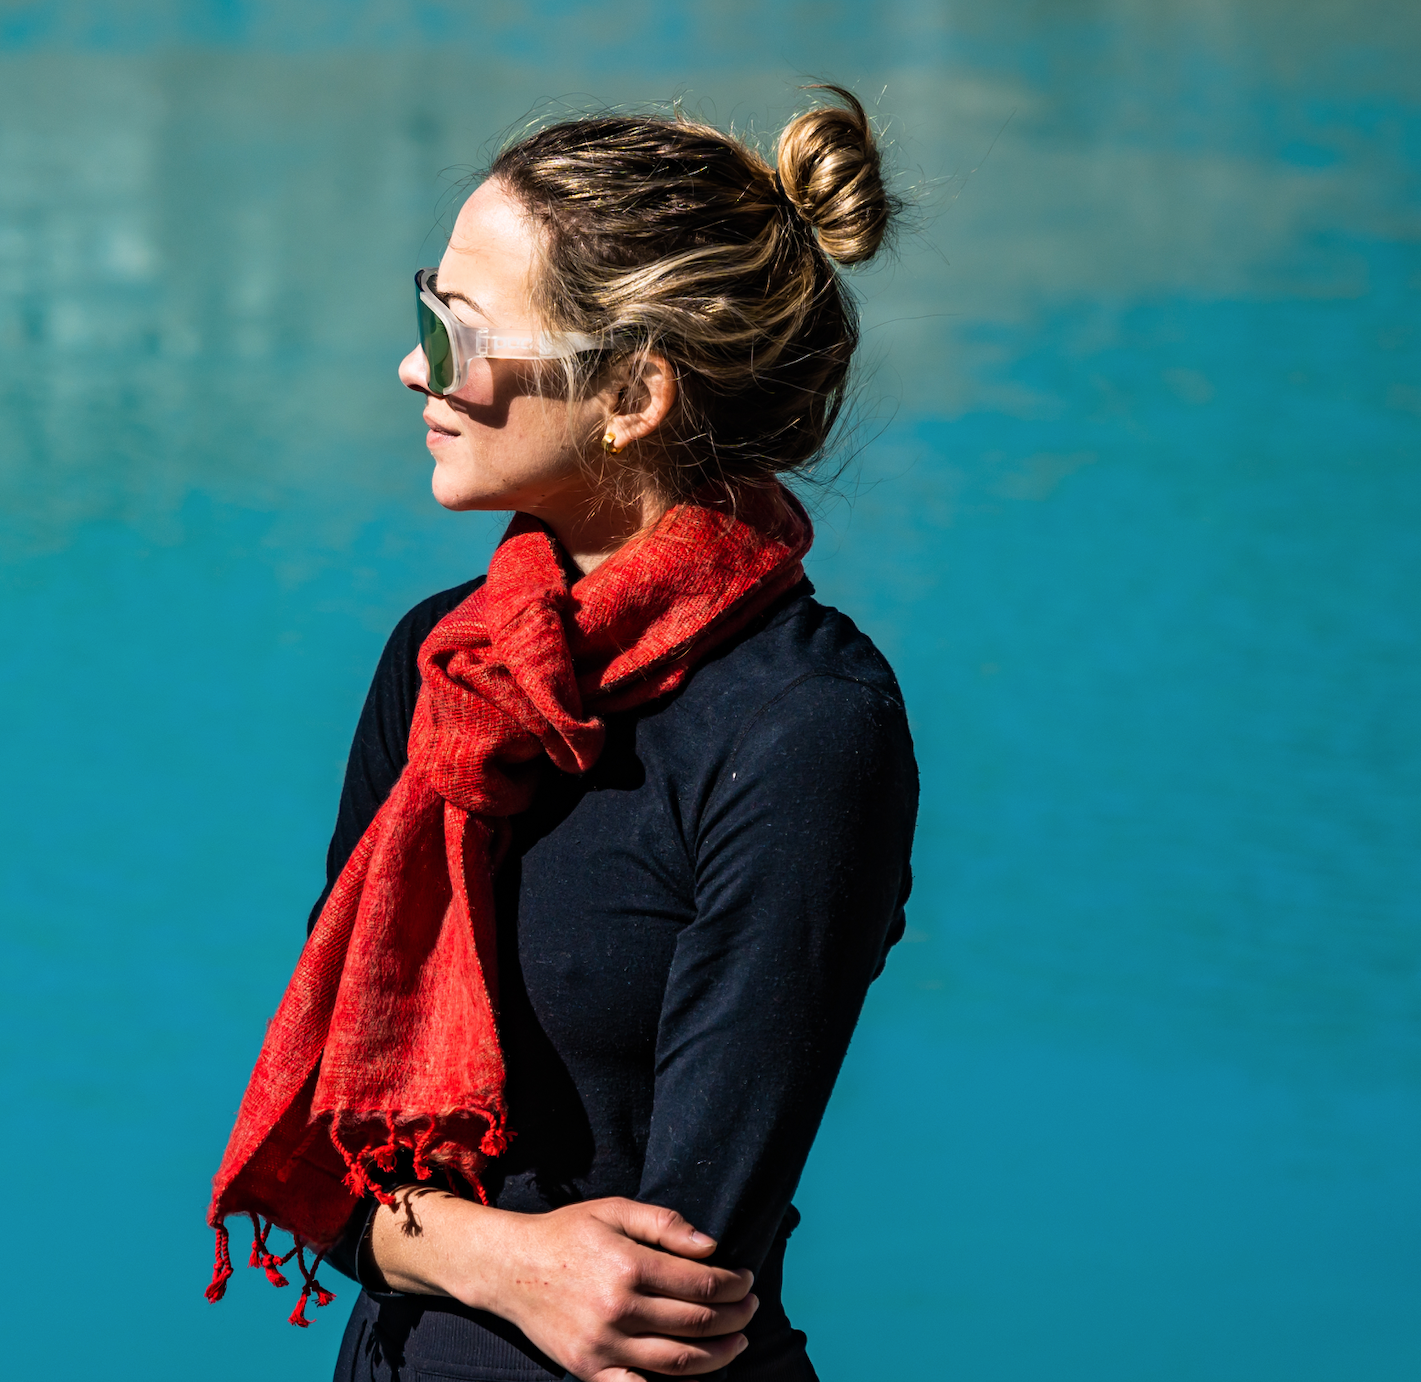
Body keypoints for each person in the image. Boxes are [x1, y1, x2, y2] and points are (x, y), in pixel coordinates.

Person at [206, 86, 919, 1382]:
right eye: (424, 309)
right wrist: (504, 1258)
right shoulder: (445, 661)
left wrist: (452, 1243)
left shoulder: (802, 726)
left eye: (457, 330)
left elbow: (681, 1273)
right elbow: (328, 1152)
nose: (416, 367)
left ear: (633, 392)